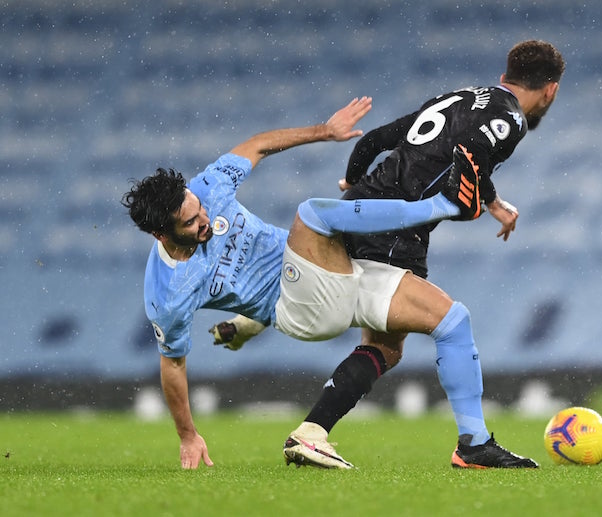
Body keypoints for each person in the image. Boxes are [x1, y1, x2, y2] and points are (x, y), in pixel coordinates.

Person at [123, 97, 538, 470]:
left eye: (198, 210)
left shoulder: (206, 189)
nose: (204, 222)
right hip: (299, 307)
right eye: (190, 223)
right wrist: (187, 434)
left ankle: (473, 445)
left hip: (327, 270)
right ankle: (442, 206)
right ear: (161, 234)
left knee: (448, 320)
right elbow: (172, 366)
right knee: (312, 216)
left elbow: (257, 145)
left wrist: (326, 131)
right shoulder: (167, 291)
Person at [211, 39, 565, 469]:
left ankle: (302, 409)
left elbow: (378, 139)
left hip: (365, 209)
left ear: (505, 73)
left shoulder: (461, 97)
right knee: (451, 322)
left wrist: (354, 184)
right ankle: (473, 444)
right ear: (551, 90)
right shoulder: (511, 118)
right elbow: (468, 153)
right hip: (398, 231)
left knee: (385, 345)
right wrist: (462, 203)